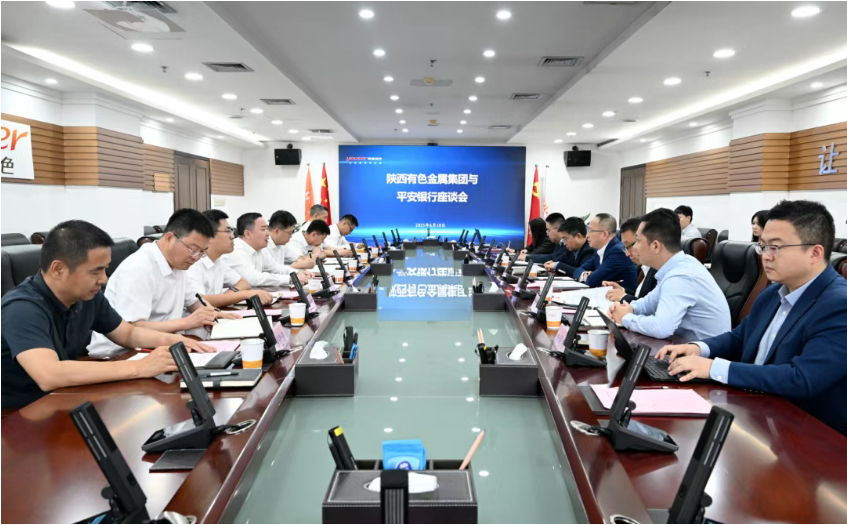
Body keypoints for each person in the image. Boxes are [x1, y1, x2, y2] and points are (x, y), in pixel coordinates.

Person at [658, 200, 847, 434]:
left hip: (808, 435)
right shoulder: (772, 293)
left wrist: (714, 368)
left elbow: (802, 378)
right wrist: (698, 348)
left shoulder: (839, 305)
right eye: (762, 246)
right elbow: (740, 338)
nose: (765, 256)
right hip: (756, 414)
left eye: (775, 247)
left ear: (815, 253)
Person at [1, 220, 211, 409]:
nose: (104, 279)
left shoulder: (87, 296)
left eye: (105, 269)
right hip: (18, 414)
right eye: (95, 271)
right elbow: (49, 374)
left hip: (63, 398)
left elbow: (127, 333)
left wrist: (175, 341)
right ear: (58, 269)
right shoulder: (21, 308)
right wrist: (139, 367)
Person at [87, 209, 236, 356]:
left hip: (161, 344)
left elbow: (194, 301)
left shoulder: (178, 263)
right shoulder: (139, 268)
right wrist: (187, 322)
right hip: (119, 354)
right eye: (193, 249)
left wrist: (213, 315)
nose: (196, 257)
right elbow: (131, 328)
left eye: (202, 252)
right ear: (170, 238)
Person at [608, 209, 731, 340]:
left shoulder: (681, 276)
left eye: (638, 241)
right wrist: (629, 308)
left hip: (706, 351)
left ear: (655, 246)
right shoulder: (676, 267)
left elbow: (661, 328)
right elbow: (648, 304)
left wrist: (625, 317)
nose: (631, 250)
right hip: (682, 345)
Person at [186, 210, 274, 308]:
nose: (232, 236)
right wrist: (245, 294)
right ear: (209, 235)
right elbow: (199, 301)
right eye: (228, 231)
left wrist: (226, 297)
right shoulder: (193, 264)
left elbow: (243, 283)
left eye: (231, 231)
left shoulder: (218, 261)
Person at [222, 212, 312, 286]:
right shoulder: (236, 250)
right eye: (263, 229)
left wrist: (298, 272)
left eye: (267, 229)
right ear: (248, 234)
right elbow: (253, 278)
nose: (268, 233)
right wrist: (291, 278)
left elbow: (276, 268)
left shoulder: (261, 249)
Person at [573, 213, 637, 290]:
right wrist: (584, 274)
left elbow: (592, 281)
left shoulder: (618, 252)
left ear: (604, 234)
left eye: (590, 231)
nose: (587, 235)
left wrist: (589, 276)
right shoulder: (598, 250)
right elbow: (577, 270)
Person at [603, 217, 658, 303]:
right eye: (625, 248)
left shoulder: (660, 270)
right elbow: (640, 297)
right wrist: (621, 290)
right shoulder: (640, 267)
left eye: (629, 246)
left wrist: (623, 297)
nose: (627, 254)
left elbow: (651, 307)